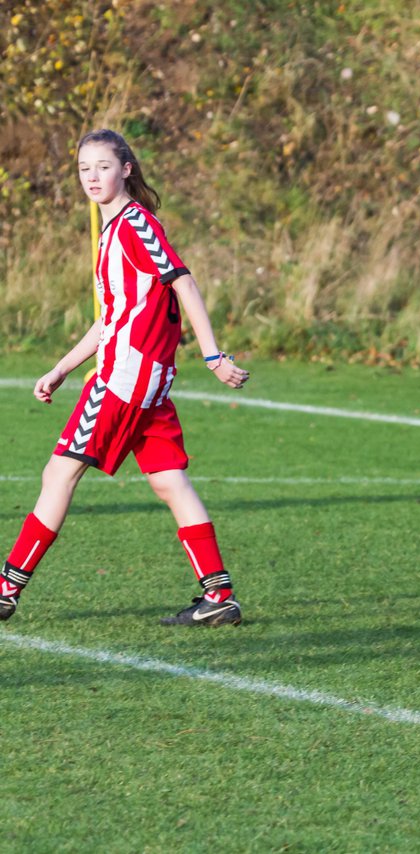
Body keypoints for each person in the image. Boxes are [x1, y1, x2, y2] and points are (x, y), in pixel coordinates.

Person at [0, 129, 250, 627]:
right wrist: (62, 368)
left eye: (103, 167)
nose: (92, 177)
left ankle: (6, 589)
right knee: (170, 481)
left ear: (126, 169)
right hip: (146, 383)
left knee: (59, 473)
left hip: (123, 378)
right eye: (83, 169)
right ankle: (218, 596)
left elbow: (182, 280)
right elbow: (112, 316)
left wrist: (212, 354)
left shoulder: (136, 225)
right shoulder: (113, 229)